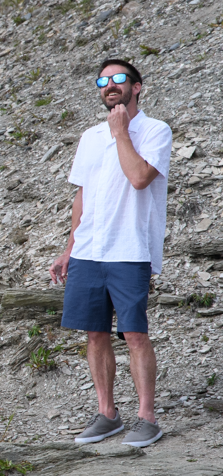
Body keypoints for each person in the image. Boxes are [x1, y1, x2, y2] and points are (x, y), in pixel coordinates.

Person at [49, 59, 172, 448]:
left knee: (134, 333)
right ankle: (108, 414)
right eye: (102, 81)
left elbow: (139, 178)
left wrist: (121, 133)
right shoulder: (90, 137)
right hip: (89, 249)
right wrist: (70, 247)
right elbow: (82, 194)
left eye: (119, 79)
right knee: (95, 332)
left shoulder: (155, 130)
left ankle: (147, 418)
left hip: (129, 248)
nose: (109, 85)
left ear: (137, 87)